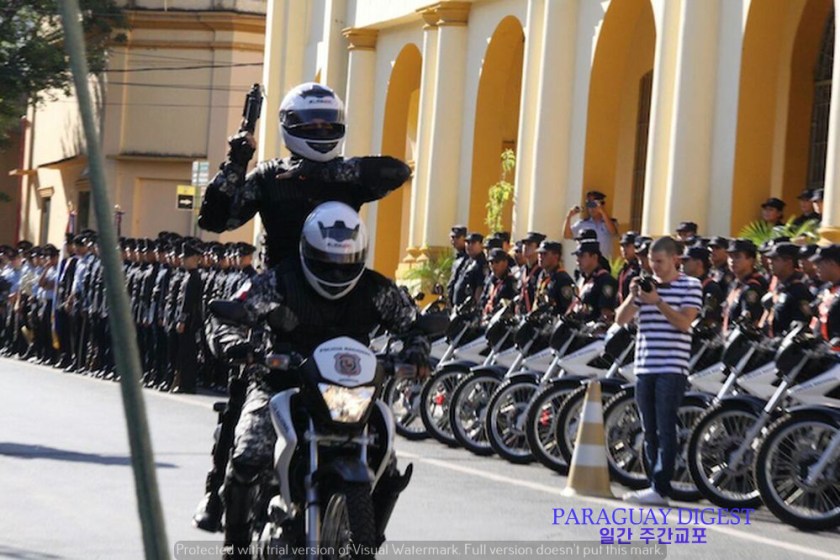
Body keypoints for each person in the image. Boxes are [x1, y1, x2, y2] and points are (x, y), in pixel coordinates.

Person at [213, 202, 428, 559]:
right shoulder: (280, 280)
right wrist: (235, 344)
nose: (337, 271)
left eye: (346, 263)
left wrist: (417, 351)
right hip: (282, 381)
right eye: (327, 263)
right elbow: (233, 313)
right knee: (249, 451)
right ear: (308, 252)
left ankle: (369, 537)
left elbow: (414, 323)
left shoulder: (376, 288)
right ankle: (234, 547)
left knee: (387, 460)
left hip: (351, 390)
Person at [198, 82, 411, 267]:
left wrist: (320, 172)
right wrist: (235, 164)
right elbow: (214, 220)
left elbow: (398, 172)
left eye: (327, 123)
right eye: (311, 123)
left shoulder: (348, 175)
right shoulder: (270, 175)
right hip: (281, 288)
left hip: (342, 281)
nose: (321, 129)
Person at [616, 236, 702, 506]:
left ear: (675, 259)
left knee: (666, 427)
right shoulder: (646, 287)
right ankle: (656, 484)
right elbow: (620, 320)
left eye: (660, 262)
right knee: (648, 428)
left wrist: (658, 302)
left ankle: (661, 487)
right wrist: (633, 297)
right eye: (651, 262)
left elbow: (685, 323)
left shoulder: (691, 285)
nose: (655, 267)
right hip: (644, 365)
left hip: (672, 367)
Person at [759, 242, 813, 337]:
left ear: (789, 262)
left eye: (775, 259)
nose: (770, 262)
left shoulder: (798, 291)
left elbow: (802, 326)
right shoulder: (781, 287)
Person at [723, 239, 768, 332]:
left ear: (751, 260)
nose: (732, 261)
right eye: (730, 256)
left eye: (737, 257)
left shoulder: (753, 286)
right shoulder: (735, 283)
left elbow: (751, 322)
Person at [573, 240, 619, 323]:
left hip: (594, 332)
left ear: (594, 257)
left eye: (582, 256)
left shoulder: (605, 280)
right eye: (577, 256)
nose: (578, 260)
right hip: (578, 327)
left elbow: (606, 314)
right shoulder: (582, 279)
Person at [563, 190, 619, 258]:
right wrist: (569, 217)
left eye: (593, 204)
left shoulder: (610, 222)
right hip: (585, 263)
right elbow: (566, 235)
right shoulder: (583, 223)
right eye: (589, 204)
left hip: (603, 264)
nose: (591, 208)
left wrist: (603, 212)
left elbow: (613, 232)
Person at [680, 245, 724, 328]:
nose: (682, 264)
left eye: (686, 260)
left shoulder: (711, 288)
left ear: (698, 263)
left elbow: (710, 320)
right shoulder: (686, 284)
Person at [534, 240, 576, 314]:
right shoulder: (542, 275)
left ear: (556, 256)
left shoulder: (563, 279)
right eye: (539, 253)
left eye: (544, 254)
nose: (540, 256)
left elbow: (566, 308)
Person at [810, 245, 840, 346]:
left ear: (832, 263)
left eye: (819, 263)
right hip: (824, 353)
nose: (815, 267)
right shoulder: (826, 289)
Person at [480, 248, 517, 316]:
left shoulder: (510, 282)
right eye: (491, 262)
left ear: (505, 262)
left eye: (497, 262)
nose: (493, 266)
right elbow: (482, 299)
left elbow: (510, 304)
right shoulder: (490, 281)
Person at [617, 232, 640, 302]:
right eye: (622, 245)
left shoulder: (639, 268)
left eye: (627, 245)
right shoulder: (622, 269)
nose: (623, 249)